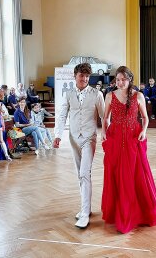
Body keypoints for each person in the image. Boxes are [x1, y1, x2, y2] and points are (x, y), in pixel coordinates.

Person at [101, 66, 156, 233]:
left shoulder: (138, 96)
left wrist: (144, 130)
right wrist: (104, 133)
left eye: (123, 80)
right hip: (116, 138)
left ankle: (136, 213)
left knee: (136, 174)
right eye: (117, 80)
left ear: (129, 80)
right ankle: (119, 212)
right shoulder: (110, 96)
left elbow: (145, 118)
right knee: (117, 174)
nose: (120, 83)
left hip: (134, 138)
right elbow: (105, 118)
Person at [53, 63, 105, 229]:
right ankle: (86, 208)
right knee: (80, 175)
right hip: (73, 138)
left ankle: (84, 214)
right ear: (75, 76)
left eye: (87, 76)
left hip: (89, 138)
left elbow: (104, 117)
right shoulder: (68, 94)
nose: (84, 79)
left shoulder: (97, 94)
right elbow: (62, 116)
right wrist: (57, 136)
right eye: (81, 76)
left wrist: (106, 135)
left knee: (84, 173)